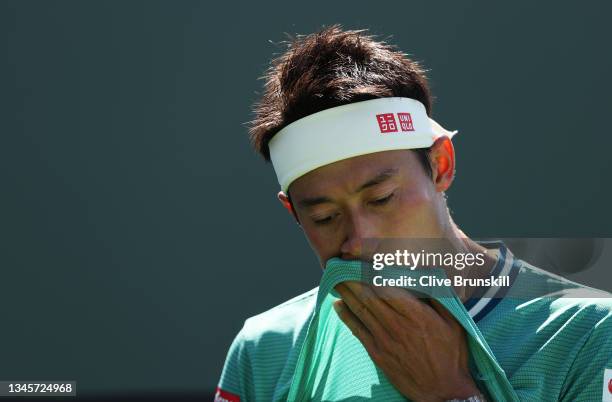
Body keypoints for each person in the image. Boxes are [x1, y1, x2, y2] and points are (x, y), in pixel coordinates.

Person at [215, 25, 612, 402]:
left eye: (382, 198)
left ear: (440, 165)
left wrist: (451, 392)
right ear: (294, 214)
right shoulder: (265, 349)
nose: (359, 240)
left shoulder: (590, 332)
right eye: (324, 217)